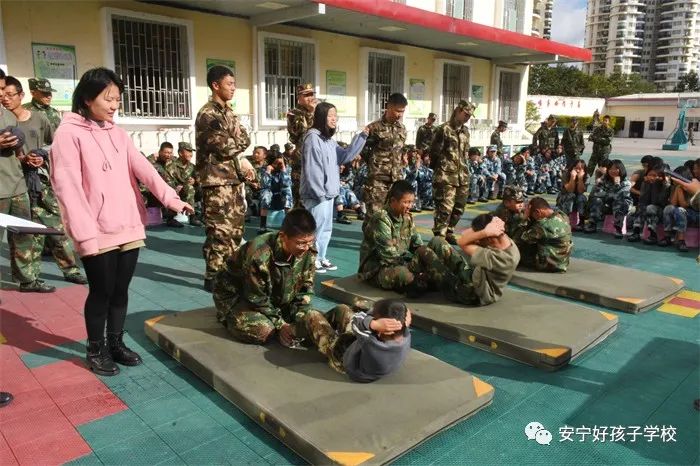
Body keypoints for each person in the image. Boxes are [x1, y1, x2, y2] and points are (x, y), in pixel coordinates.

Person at [51, 67, 194, 376]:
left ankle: (115, 343)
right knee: (100, 292)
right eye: (108, 98)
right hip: (96, 230)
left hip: (128, 224)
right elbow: (67, 188)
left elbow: (145, 169)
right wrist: (84, 235)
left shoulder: (118, 133)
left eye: (117, 99)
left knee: (120, 290)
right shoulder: (68, 134)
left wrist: (171, 199)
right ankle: (95, 349)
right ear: (87, 98)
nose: (114, 105)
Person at [3, 76, 87, 287]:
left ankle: (70, 269)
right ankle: (29, 277)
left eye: (9, 93)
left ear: (21, 95)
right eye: (2, 93)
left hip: (38, 182)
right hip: (17, 182)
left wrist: (41, 155)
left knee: (54, 228)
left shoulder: (39, 117)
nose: (4, 98)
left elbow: (56, 144)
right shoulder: (6, 119)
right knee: (28, 234)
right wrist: (23, 159)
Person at [212, 208, 319, 345]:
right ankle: (229, 317)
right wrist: (280, 325)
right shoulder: (259, 253)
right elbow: (256, 298)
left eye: (310, 241)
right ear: (283, 236)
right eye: (301, 243)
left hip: (273, 298)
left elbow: (305, 290)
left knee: (309, 321)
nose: (306, 247)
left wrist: (301, 317)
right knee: (264, 330)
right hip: (238, 298)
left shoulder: (308, 251)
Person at [195, 65, 251, 292]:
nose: (233, 88)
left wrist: (237, 141)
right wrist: (237, 141)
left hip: (233, 179)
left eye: (234, 84)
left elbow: (245, 138)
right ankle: (214, 276)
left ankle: (230, 272)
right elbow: (224, 146)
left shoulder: (229, 113)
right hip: (216, 181)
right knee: (219, 231)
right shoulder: (208, 114)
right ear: (215, 85)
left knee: (236, 230)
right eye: (229, 84)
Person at [300, 102, 368, 273]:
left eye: (335, 116)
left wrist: (361, 137)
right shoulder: (312, 138)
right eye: (330, 116)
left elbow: (345, 156)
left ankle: (320, 257)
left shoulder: (329, 140)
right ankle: (311, 259)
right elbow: (312, 169)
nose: (334, 119)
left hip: (328, 193)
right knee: (315, 228)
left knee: (326, 229)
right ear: (321, 117)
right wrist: (319, 193)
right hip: (317, 195)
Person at [0, 70, 52, 292]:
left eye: (3, 88)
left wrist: (29, 158)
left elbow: (18, 154)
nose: (1, 93)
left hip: (18, 186)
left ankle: (27, 280)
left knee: (23, 235)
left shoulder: (9, 116)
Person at [305, 298, 412, 380]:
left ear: (383, 330)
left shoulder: (370, 342)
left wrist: (373, 324)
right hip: (363, 355)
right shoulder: (405, 334)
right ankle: (320, 331)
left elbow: (356, 320)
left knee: (312, 315)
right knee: (342, 309)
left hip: (346, 362)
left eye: (375, 318)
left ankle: (307, 338)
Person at [430, 99, 475, 244]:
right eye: (466, 114)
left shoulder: (465, 131)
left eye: (470, 116)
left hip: (462, 176)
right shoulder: (443, 129)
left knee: (459, 207)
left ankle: (449, 231)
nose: (467, 118)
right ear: (458, 111)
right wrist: (440, 170)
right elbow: (434, 152)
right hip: (445, 176)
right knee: (445, 208)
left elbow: (465, 154)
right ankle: (439, 237)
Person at [454, 213, 520, 305]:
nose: (478, 240)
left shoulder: (499, 258)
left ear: (489, 238)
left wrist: (484, 232)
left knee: (437, 243)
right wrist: (490, 227)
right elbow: (464, 234)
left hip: (476, 293)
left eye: (481, 239)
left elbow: (461, 242)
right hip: (478, 278)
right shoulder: (504, 240)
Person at [361, 93, 407, 219]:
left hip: (396, 180)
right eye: (398, 111)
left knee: (393, 216)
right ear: (388, 107)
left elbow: (400, 150)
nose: (400, 115)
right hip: (378, 180)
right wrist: (374, 164)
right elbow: (362, 149)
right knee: (375, 216)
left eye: (402, 111)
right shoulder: (374, 128)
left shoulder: (402, 129)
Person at [516, 197, 572, 272]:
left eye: (531, 215)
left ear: (537, 212)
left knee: (518, 246)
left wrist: (525, 219)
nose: (532, 218)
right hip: (562, 262)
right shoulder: (563, 216)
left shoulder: (542, 226)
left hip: (547, 265)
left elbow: (520, 239)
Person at [626, 157, 670, 244]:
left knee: (650, 207)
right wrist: (647, 185)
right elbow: (643, 199)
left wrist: (660, 186)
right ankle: (636, 232)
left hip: (663, 210)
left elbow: (660, 201)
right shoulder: (647, 183)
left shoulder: (666, 185)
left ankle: (653, 235)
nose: (652, 177)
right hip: (650, 208)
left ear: (661, 176)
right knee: (641, 206)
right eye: (650, 175)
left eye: (655, 175)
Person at [583, 159, 632, 237]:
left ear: (621, 169)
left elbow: (619, 197)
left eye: (616, 169)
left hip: (621, 207)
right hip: (607, 205)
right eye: (610, 169)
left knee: (619, 202)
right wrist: (610, 194)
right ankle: (592, 224)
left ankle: (618, 228)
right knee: (597, 200)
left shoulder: (626, 183)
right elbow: (597, 193)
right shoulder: (604, 179)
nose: (613, 171)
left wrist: (617, 185)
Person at [287, 83, 316, 206]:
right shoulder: (294, 113)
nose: (310, 97)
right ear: (299, 97)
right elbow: (299, 133)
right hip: (302, 159)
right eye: (306, 95)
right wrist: (311, 112)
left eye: (311, 94)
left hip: (317, 157)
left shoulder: (319, 111)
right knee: (300, 197)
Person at [660, 162, 699, 251]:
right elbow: (673, 203)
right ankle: (667, 236)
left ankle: (681, 241)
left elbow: (684, 205)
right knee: (668, 208)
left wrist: (680, 189)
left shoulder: (691, 186)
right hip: (682, 213)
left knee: (680, 210)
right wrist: (678, 188)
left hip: (695, 214)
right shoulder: (676, 187)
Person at [148, 142, 183, 228]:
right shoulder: (153, 161)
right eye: (166, 152)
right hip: (155, 190)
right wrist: (152, 157)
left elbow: (181, 176)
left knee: (178, 188)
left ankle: (171, 218)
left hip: (171, 190)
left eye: (170, 153)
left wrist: (181, 184)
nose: (168, 155)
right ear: (160, 152)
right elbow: (143, 163)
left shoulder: (173, 162)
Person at [258, 155, 293, 234]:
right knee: (265, 193)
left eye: (280, 162)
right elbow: (265, 185)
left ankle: (289, 226)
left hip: (281, 193)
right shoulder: (264, 169)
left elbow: (286, 184)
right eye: (276, 163)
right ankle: (262, 226)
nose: (278, 165)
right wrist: (268, 171)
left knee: (287, 191)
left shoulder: (287, 168)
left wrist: (283, 169)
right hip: (271, 193)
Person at [556, 159, 588, 231]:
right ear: (572, 167)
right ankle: (566, 219)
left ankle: (581, 222)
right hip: (565, 197)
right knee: (571, 195)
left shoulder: (586, 176)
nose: (578, 171)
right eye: (576, 168)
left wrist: (580, 179)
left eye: (580, 169)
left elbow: (580, 191)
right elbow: (569, 190)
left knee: (582, 197)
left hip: (577, 197)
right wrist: (572, 178)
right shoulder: (566, 174)